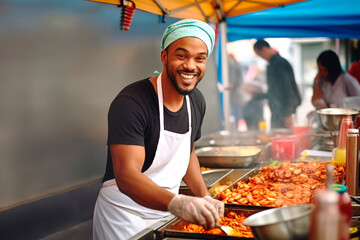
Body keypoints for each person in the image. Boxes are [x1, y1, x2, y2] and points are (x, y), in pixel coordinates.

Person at [92, 19, 224, 239]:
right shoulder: (132, 102)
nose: (190, 66)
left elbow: (187, 154)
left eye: (199, 58)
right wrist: (177, 203)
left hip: (166, 215)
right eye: (181, 56)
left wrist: (204, 196)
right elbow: (126, 175)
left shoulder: (196, 101)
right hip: (124, 216)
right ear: (164, 56)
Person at [253, 40, 301, 129]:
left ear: (264, 49)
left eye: (260, 54)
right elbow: (275, 90)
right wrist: (260, 96)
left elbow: (287, 89)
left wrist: (288, 113)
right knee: (277, 134)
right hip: (277, 108)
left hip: (284, 109)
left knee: (284, 136)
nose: (261, 57)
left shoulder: (279, 63)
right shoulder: (273, 63)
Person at [228, 53, 245, 129]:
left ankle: (235, 129)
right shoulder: (238, 65)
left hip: (234, 96)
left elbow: (232, 82)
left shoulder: (232, 65)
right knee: (237, 116)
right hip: (238, 96)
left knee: (235, 116)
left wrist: (231, 83)